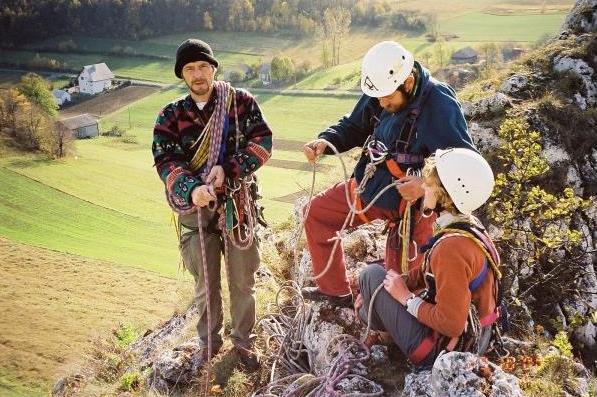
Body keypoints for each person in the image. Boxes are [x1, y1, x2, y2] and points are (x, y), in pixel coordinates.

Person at [301, 41, 476, 306]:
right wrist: (327, 140)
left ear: (407, 83)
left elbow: (464, 162)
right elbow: (355, 125)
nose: (381, 103)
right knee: (317, 214)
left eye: (388, 98)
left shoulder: (439, 103)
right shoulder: (381, 88)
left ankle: (403, 335)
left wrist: (425, 185)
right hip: (371, 187)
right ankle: (335, 291)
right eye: (378, 97)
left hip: (410, 208)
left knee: (401, 287)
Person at [152, 39, 273, 367]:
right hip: (195, 211)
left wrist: (230, 168)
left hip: (238, 206)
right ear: (182, 75)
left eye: (203, 66)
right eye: (189, 69)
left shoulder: (240, 103)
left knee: (241, 279)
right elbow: (165, 159)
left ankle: (244, 343)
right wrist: (192, 188)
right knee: (205, 282)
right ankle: (208, 343)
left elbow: (263, 142)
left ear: (214, 68)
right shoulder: (171, 116)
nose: (197, 74)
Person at [356, 148, 502, 368]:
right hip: (472, 340)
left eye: (430, 184)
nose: (423, 187)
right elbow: (430, 272)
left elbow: (451, 325)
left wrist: (405, 298)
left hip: (443, 352)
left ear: (445, 193)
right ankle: (376, 308)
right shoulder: (468, 227)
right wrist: (395, 285)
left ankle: (380, 322)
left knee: (370, 276)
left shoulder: (451, 247)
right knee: (375, 279)